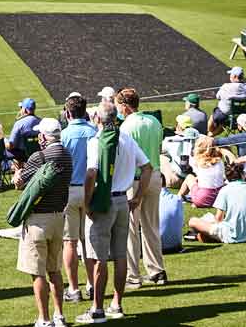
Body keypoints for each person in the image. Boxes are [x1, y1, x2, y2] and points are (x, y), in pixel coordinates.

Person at [77, 102, 144, 324]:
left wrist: (86, 203)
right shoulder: (126, 138)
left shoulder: (97, 141)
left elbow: (91, 173)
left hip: (105, 202)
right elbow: (148, 167)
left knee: (99, 257)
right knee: (120, 255)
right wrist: (137, 197)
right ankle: (117, 303)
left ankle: (97, 309)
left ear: (98, 119)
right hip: (123, 200)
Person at [12, 116, 70, 327]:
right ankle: (59, 316)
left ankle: (44, 319)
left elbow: (21, 185)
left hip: (38, 219)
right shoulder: (66, 154)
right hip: (58, 217)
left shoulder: (39, 157)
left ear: (45, 137)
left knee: (37, 272)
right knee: (54, 270)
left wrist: (17, 174)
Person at [113, 89, 165, 288]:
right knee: (151, 225)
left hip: (135, 179)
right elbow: (158, 149)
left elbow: (125, 156)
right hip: (154, 176)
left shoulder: (126, 126)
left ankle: (133, 275)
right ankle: (157, 271)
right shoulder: (154, 122)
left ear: (124, 107)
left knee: (130, 229)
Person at [58, 95, 96, 303]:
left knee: (70, 242)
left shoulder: (64, 135)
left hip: (70, 191)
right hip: (90, 190)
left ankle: (74, 289)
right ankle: (91, 284)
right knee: (88, 240)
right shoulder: (94, 132)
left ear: (68, 113)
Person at [186, 160, 246, 246]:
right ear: (243, 174)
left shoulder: (225, 190)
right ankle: (201, 235)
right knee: (208, 221)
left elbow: (218, 219)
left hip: (231, 235)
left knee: (193, 221)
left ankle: (198, 236)